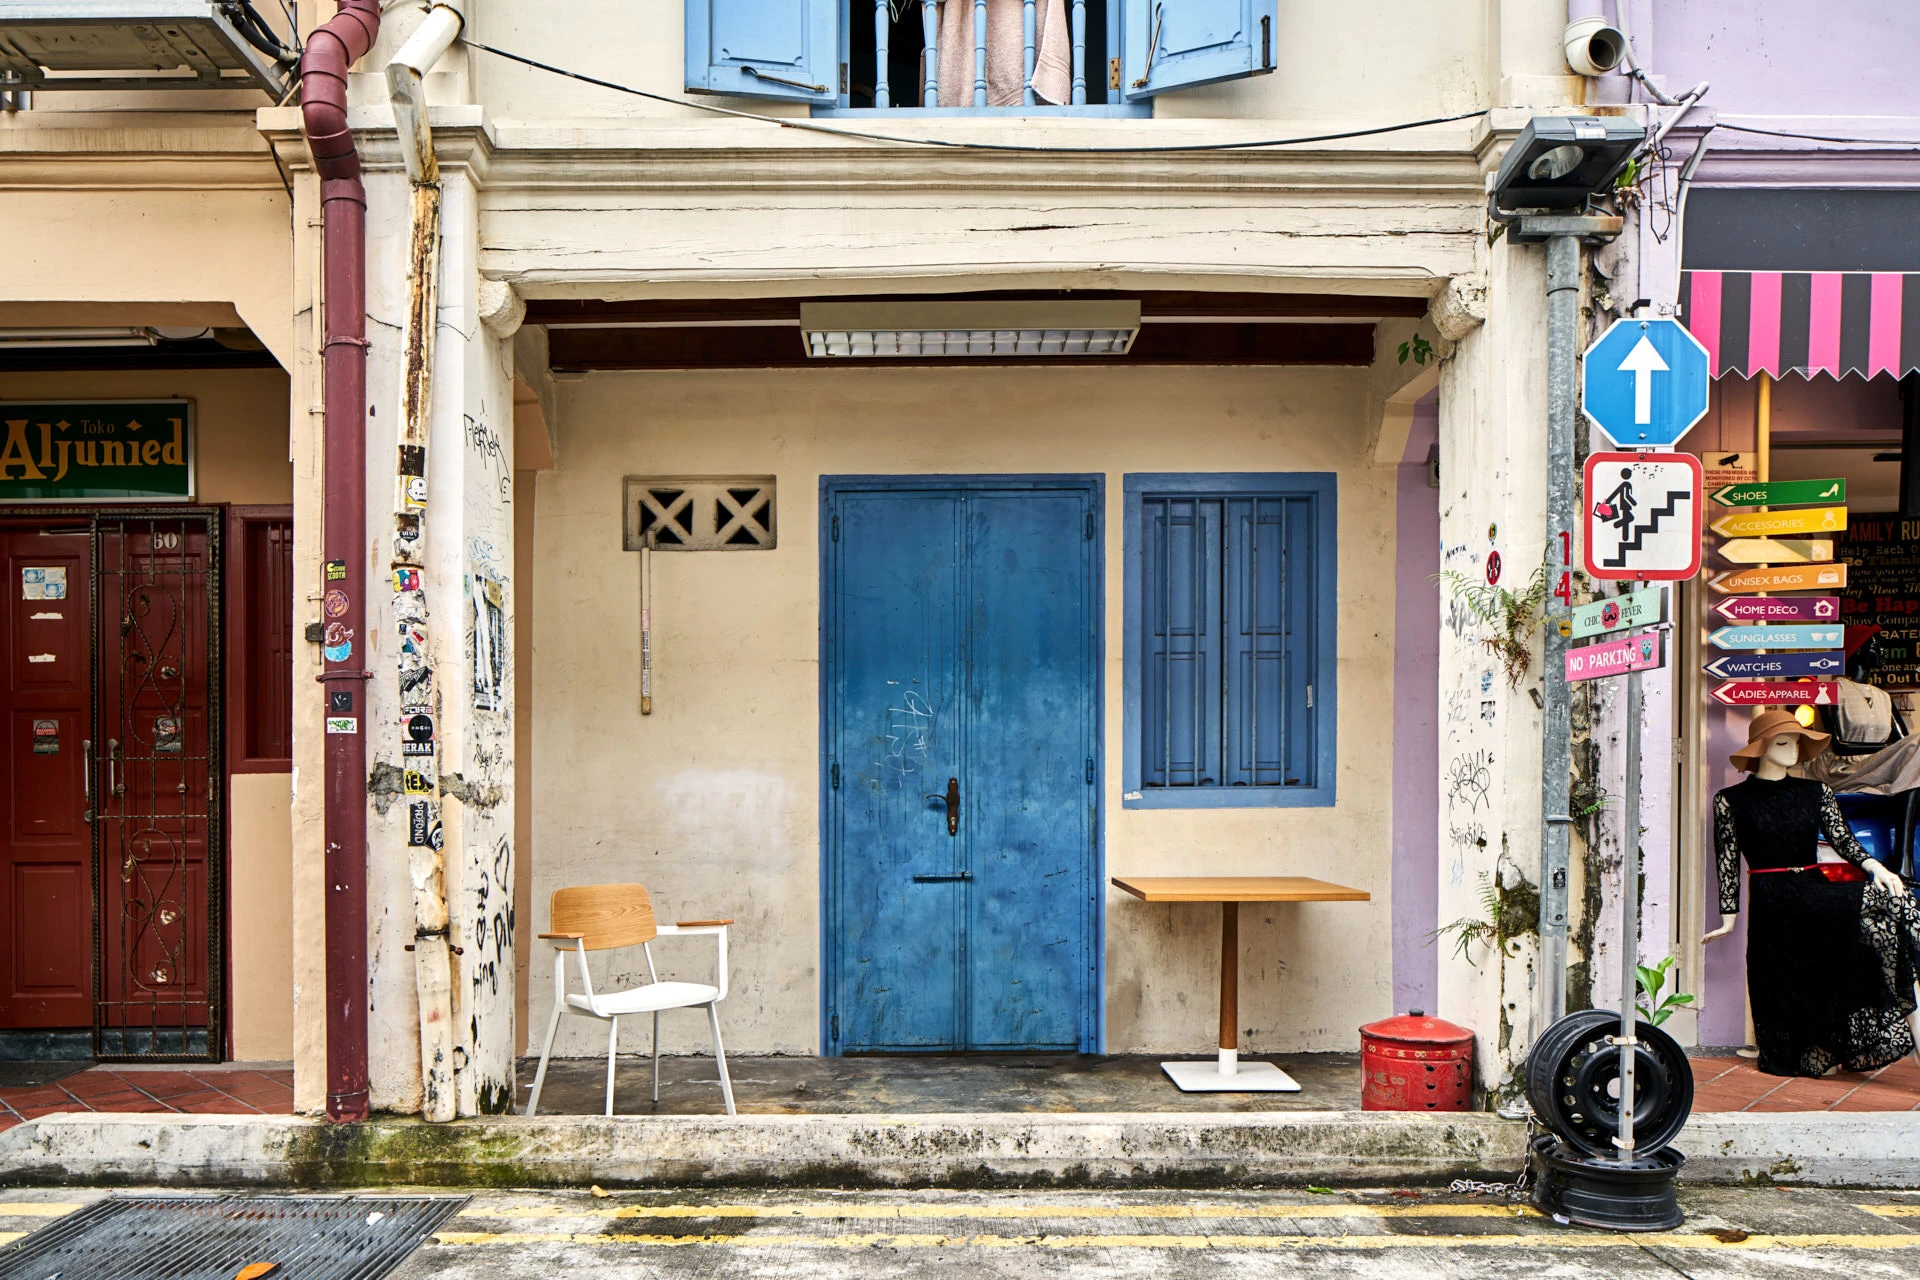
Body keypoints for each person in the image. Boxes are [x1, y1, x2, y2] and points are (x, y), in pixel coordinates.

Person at [1707, 711, 1920, 1076]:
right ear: (1762, 749)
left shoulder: (1815, 791)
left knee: (1896, 908)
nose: (1794, 750)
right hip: (1772, 899)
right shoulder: (1730, 800)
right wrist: (1729, 918)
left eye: (1797, 742)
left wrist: (1878, 868)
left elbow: (1845, 842)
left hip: (1813, 889)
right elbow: (1727, 862)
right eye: (1783, 742)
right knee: (1807, 1055)